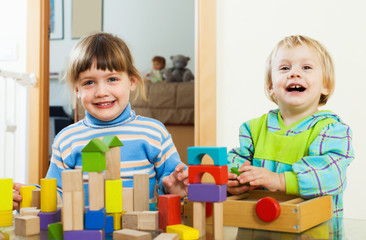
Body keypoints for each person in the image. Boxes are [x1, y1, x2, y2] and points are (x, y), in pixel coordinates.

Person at [13, 32, 188, 209]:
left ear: (132, 82)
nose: (101, 92)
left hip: (139, 233)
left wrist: (174, 189)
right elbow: (58, 194)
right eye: (89, 82)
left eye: (112, 79)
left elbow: (172, 186)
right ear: (77, 90)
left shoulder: (154, 133)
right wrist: (31, 196)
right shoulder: (67, 139)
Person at [227, 35, 354, 218]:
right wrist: (235, 180)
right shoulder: (253, 129)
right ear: (271, 86)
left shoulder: (331, 130)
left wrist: (279, 180)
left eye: (306, 67)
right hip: (259, 228)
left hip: (314, 230)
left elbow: (331, 176)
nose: (294, 73)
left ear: (325, 85)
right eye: (285, 68)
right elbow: (236, 160)